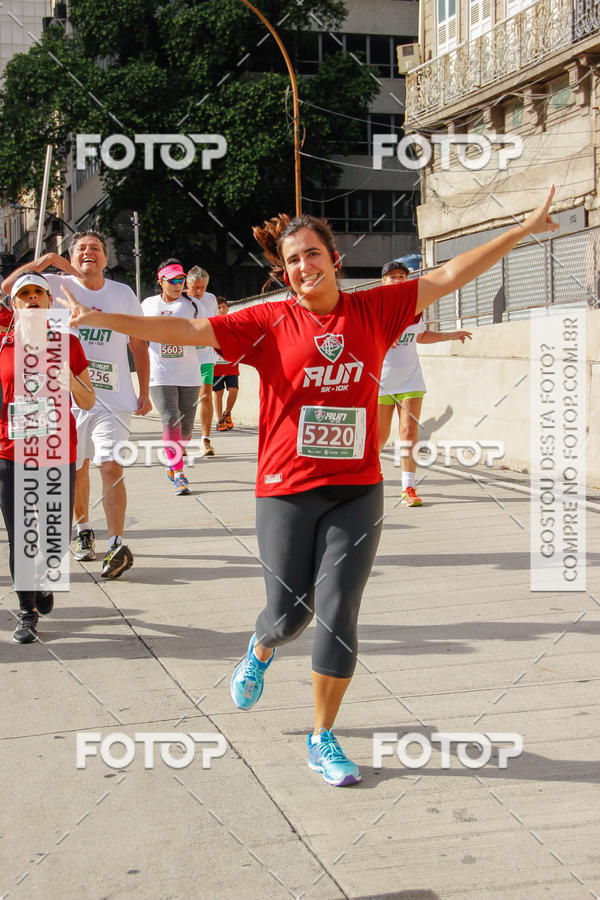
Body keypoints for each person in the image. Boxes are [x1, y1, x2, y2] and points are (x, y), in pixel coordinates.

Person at [57, 186, 559, 786]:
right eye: (293, 260)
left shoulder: (377, 309)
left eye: (313, 254)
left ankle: (323, 736)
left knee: (339, 610)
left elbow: (451, 272)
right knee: (287, 615)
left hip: (357, 488)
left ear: (334, 257)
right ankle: (261, 648)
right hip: (285, 488)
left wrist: (522, 229)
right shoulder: (268, 320)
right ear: (285, 270)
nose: (303, 266)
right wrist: (98, 318)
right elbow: (190, 336)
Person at [1, 230, 152, 579]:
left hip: (110, 399)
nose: (89, 253)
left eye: (96, 248)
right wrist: (45, 262)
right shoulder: (52, 285)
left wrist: (143, 389)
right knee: (77, 468)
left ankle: (116, 543)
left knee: (110, 464)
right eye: (82, 248)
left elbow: (138, 342)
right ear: (71, 256)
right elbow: (9, 291)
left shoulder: (123, 293)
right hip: (61, 402)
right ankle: (83, 527)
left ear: (105, 257)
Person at [0, 272, 94, 643]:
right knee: (20, 536)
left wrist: (70, 379)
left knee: (52, 538)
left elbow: (88, 400)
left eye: (40, 292)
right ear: (15, 305)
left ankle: (43, 577)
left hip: (57, 452)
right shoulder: (3, 346)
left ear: (50, 302)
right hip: (11, 452)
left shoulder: (69, 344)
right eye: (25, 294)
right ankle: (26, 610)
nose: (34, 298)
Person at [378, 260, 472, 506]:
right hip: (380, 382)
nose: (397, 279)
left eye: (401, 275)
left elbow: (420, 336)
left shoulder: (415, 308)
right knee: (379, 437)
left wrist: (449, 335)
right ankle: (368, 481)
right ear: (383, 281)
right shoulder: (374, 307)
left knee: (409, 432)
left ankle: (408, 487)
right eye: (392, 276)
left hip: (410, 380)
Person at [143, 259, 203, 495]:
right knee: (170, 419)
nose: (178, 285)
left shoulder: (193, 305)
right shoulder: (147, 305)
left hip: (189, 374)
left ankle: (173, 457)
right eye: (173, 281)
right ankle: (179, 473)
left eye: (181, 280)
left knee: (186, 429)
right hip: (160, 374)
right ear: (161, 282)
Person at [186, 266, 218, 456]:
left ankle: (205, 439)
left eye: (202, 288)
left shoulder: (211, 299)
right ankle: (181, 440)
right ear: (187, 284)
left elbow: (214, 324)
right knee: (186, 399)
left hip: (205, 355)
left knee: (205, 394)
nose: (198, 292)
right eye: (195, 287)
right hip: (184, 357)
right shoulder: (179, 299)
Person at [212, 298, 240, 431]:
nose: (221, 309)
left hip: (231, 364)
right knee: (218, 392)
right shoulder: (212, 324)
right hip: (216, 364)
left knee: (233, 390)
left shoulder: (233, 323)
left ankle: (227, 413)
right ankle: (219, 420)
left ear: (228, 308)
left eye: (223, 307)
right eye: (219, 307)